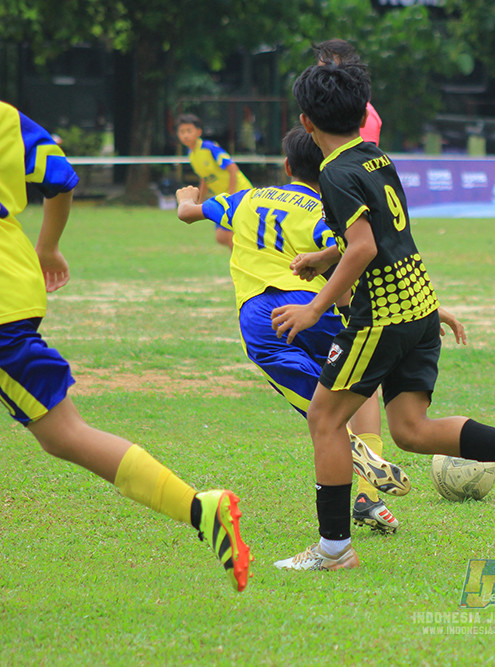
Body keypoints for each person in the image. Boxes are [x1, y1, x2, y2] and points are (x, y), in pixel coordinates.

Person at [269, 62, 495, 572]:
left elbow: (364, 247)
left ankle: (334, 550)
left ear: (306, 122)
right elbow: (384, 236)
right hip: (418, 307)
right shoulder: (375, 158)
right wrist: (325, 258)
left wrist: (314, 307)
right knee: (411, 429)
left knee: (324, 418)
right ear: (361, 114)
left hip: (382, 317)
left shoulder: (334, 173)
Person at [0, 100, 251, 591]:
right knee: (62, 435)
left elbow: (228, 173)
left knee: (65, 433)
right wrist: (46, 247)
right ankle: (200, 509)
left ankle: (199, 508)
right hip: (14, 281)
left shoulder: (211, 153)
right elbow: (60, 175)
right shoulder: (6, 117)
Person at [175, 125, 435, 533]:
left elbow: (189, 213)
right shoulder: (326, 211)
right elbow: (354, 252)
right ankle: (367, 488)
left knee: (319, 409)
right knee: (359, 384)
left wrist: (186, 197)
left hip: (267, 315)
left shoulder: (250, 198)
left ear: (287, 166)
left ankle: (353, 450)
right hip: (318, 309)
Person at [175, 113, 253, 249]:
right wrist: (199, 201)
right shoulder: (192, 155)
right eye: (182, 132)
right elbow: (205, 178)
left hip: (240, 194)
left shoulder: (209, 148)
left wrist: (231, 194)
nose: (185, 135)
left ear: (198, 132)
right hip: (224, 198)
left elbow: (233, 168)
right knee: (222, 236)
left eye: (189, 131)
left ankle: (243, 260)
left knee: (227, 235)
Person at [312, 39, 382, 145]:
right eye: (321, 71)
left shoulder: (362, 115)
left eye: (332, 71)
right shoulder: (322, 110)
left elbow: (360, 154)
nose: (325, 78)